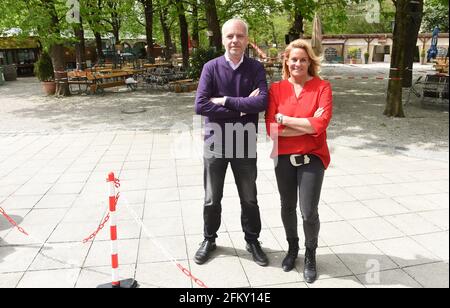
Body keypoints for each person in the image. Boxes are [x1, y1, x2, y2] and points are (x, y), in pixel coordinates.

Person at [194, 18, 269, 266]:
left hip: (245, 142)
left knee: (249, 196)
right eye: (230, 36)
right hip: (215, 141)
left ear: (247, 39)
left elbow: (262, 102)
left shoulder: (256, 68)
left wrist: (224, 101)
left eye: (240, 36)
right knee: (212, 197)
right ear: (223, 39)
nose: (235, 40)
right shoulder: (211, 68)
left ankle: (252, 239)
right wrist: (240, 109)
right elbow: (201, 105)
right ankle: (209, 239)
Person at [265, 39, 332, 283]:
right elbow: (271, 129)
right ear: (287, 61)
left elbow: (321, 125)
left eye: (303, 59)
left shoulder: (322, 88)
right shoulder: (276, 89)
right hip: (282, 157)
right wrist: (306, 126)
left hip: (312, 157)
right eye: (294, 59)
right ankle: (293, 248)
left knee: (308, 211)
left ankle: (310, 253)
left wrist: (285, 119)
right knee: (287, 206)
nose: (298, 63)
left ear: (310, 62)